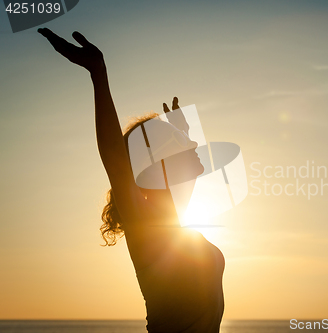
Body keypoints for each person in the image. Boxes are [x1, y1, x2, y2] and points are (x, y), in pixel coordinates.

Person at [38, 28, 225, 333]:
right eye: (180, 145)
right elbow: (115, 158)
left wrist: (184, 134)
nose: (194, 146)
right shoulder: (145, 222)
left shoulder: (170, 218)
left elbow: (180, 178)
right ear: (158, 164)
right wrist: (99, 74)